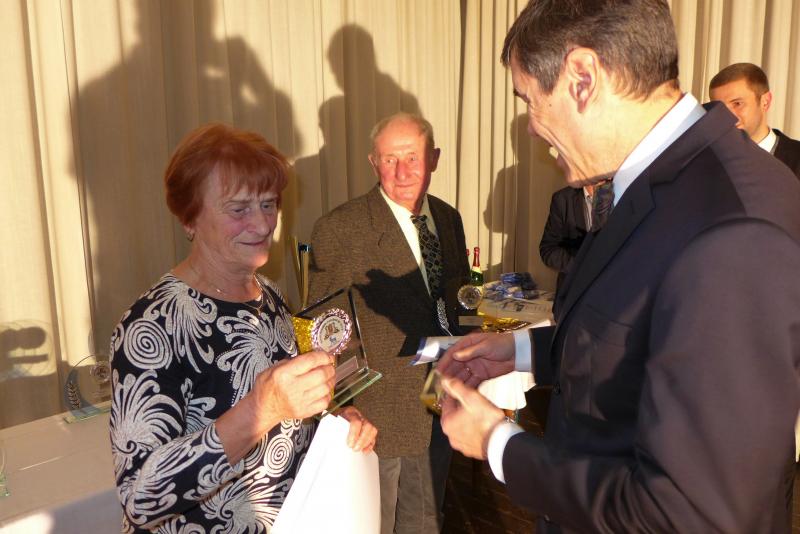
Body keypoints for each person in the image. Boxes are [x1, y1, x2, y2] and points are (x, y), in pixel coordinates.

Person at [437, 1, 800, 532]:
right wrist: (520, 350)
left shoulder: (733, 229)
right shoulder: (659, 181)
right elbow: (631, 338)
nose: (531, 128)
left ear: (583, 79)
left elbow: (689, 513)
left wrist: (499, 444)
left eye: (529, 100)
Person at [109, 123, 377, 533]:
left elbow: (289, 415)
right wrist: (261, 410)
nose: (264, 225)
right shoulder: (152, 324)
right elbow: (141, 497)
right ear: (189, 218)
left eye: (269, 204)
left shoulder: (268, 295)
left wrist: (339, 419)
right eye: (238, 210)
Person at [308, 112, 469, 533]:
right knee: (375, 524)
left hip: (439, 398)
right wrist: (343, 407)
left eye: (412, 157)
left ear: (434, 159)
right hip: (378, 416)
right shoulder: (339, 229)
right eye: (389, 159)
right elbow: (324, 332)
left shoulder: (448, 219)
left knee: (427, 520)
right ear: (372, 162)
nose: (402, 172)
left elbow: (454, 303)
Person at [709, 62, 800, 178]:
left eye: (737, 104)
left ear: (765, 102)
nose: (726, 116)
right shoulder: (706, 161)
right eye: (719, 108)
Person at [538, 184, 593, 295]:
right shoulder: (563, 198)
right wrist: (580, 264)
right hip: (573, 293)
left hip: (613, 295)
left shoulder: (622, 193)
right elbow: (548, 249)